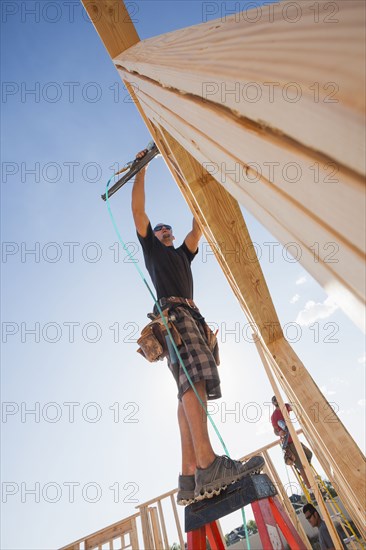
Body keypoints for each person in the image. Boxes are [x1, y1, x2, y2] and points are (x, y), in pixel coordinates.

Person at [132, 149, 264, 505]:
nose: (165, 231)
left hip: (189, 316)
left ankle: (190, 474)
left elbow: (198, 226)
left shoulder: (181, 254)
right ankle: (207, 462)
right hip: (173, 315)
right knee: (194, 381)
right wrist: (141, 170)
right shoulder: (152, 250)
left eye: (168, 229)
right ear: (153, 235)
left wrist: (193, 186)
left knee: (186, 388)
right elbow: (139, 212)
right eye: (160, 229)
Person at [271, 396, 313, 488]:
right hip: (288, 442)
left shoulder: (285, 406)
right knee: (300, 464)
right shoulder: (274, 416)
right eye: (276, 401)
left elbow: (295, 408)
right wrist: (279, 433)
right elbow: (275, 431)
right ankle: (310, 486)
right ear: (274, 404)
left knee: (309, 454)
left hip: (294, 438)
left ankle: (309, 474)